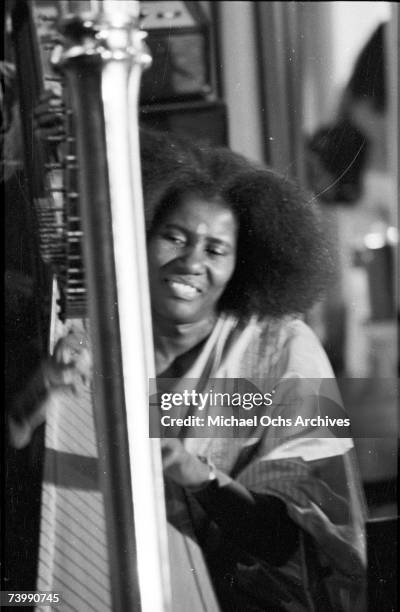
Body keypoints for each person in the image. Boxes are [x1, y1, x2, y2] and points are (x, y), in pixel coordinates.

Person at [8, 111, 366, 610]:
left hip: (238, 597)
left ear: (246, 263)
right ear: (136, 233)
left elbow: (299, 544)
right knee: (18, 599)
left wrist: (181, 464)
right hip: (78, 581)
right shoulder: (87, 331)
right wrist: (24, 411)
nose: (192, 262)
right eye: (174, 237)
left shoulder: (286, 349)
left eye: (216, 249)